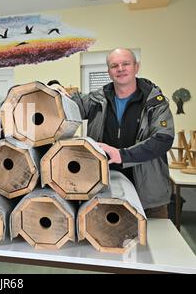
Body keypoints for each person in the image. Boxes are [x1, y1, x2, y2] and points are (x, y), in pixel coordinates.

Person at [52, 48, 174, 218]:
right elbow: (68, 108)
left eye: (126, 64)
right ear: (109, 72)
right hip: (104, 193)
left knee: (157, 242)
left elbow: (163, 139)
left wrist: (122, 155)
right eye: (114, 65)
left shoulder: (155, 102)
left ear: (136, 67)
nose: (120, 69)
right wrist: (54, 89)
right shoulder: (96, 100)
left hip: (148, 197)